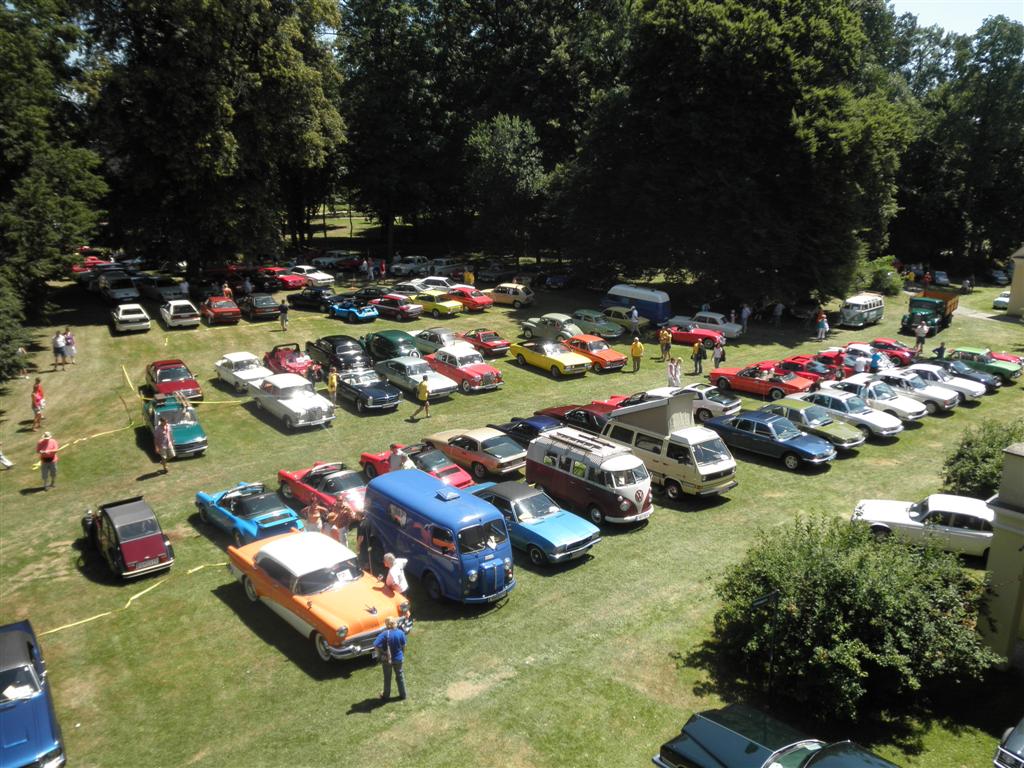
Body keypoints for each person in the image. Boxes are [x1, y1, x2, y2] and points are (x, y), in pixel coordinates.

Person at [373, 616, 408, 701]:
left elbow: (375, 645)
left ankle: (386, 695)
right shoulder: (400, 633)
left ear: (387, 624)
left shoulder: (384, 634)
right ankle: (403, 695)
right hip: (398, 658)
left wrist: (380, 654)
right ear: (395, 623)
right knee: (400, 676)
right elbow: (404, 646)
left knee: (387, 678)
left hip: (387, 659)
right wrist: (402, 655)